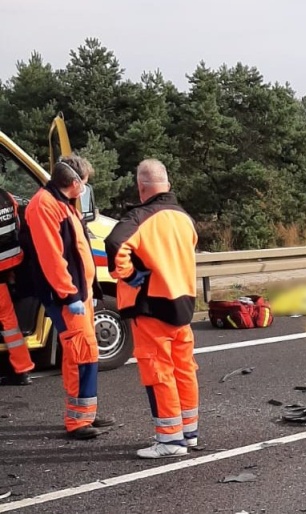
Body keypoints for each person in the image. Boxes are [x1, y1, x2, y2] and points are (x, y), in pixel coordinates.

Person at [105, 159, 199, 459]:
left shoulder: (141, 216)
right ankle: (188, 432)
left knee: (159, 372)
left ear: (141, 186)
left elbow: (114, 243)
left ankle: (170, 441)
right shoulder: (184, 217)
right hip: (182, 304)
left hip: (152, 305)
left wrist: (130, 276)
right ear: (167, 184)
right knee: (184, 369)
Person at [23, 155, 115, 439]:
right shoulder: (46, 206)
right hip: (67, 296)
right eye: (85, 183)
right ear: (75, 183)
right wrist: (69, 295)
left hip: (78, 294)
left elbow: (76, 250)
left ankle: (85, 413)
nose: (86, 188)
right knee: (81, 354)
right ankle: (77, 421)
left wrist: (87, 292)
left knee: (83, 352)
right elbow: (52, 258)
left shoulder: (60, 203)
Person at [0, 188, 35, 386]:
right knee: (9, 323)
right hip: (11, 265)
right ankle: (22, 369)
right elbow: (17, 224)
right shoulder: (6, 197)